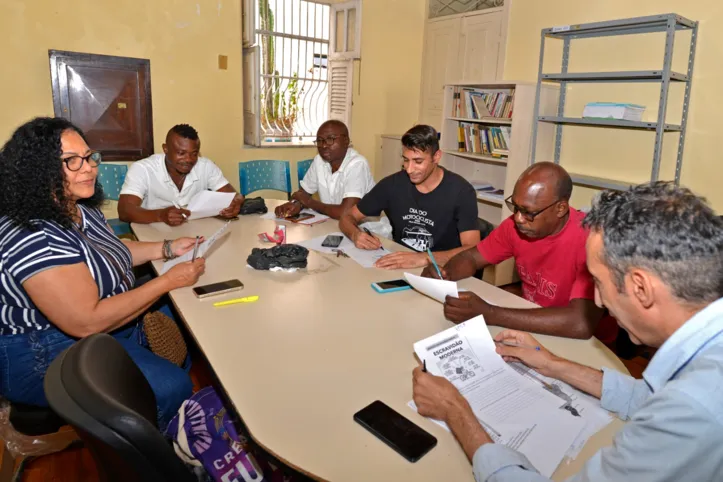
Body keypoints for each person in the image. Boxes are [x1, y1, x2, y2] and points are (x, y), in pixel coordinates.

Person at [413, 182, 723, 481]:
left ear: (640, 287)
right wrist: (553, 364)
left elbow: (674, 406)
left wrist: (457, 413)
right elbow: (647, 397)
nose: (599, 300)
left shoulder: (691, 410)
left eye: (599, 283)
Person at [0, 117, 206, 430]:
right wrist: (167, 280)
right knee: (171, 387)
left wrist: (167, 248)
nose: (88, 168)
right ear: (36, 170)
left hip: (95, 325)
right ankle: (153, 450)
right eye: (71, 161)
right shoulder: (34, 235)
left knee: (187, 314)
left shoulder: (81, 208)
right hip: (44, 351)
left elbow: (113, 252)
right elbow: (88, 321)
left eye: (89, 157)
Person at [424, 162, 616, 343]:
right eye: (515, 207)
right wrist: (445, 274)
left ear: (560, 208)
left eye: (528, 212)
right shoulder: (516, 226)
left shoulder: (591, 240)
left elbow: (580, 323)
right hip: (531, 323)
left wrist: (490, 313)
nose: (518, 218)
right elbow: (472, 257)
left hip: (586, 342)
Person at [339, 125, 480, 269]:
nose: (409, 169)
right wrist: (355, 234)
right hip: (401, 266)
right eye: (406, 160)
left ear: (436, 157)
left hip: (444, 270)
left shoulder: (461, 191)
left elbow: (472, 249)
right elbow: (347, 217)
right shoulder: (392, 185)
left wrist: (425, 258)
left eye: (418, 161)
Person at [118, 124, 243, 226]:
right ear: (165, 149)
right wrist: (160, 215)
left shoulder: (205, 166)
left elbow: (235, 195)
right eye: (181, 153)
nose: (188, 159)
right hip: (153, 230)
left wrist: (235, 204)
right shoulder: (143, 169)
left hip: (195, 231)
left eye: (194, 154)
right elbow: (124, 210)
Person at [275, 120, 374, 220]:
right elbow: (302, 194)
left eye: (330, 139)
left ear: (346, 141)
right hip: (332, 222)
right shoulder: (319, 161)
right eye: (319, 140)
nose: (324, 145)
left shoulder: (357, 164)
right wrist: (296, 204)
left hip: (365, 229)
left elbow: (345, 213)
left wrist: (309, 202)